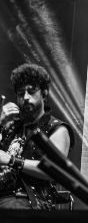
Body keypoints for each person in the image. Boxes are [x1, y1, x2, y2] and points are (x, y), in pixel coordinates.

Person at [0, 63, 73, 210]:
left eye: (32, 92)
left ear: (44, 93)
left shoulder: (58, 129)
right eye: (21, 93)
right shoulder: (10, 127)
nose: (26, 97)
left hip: (30, 202)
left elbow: (54, 171)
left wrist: (11, 160)